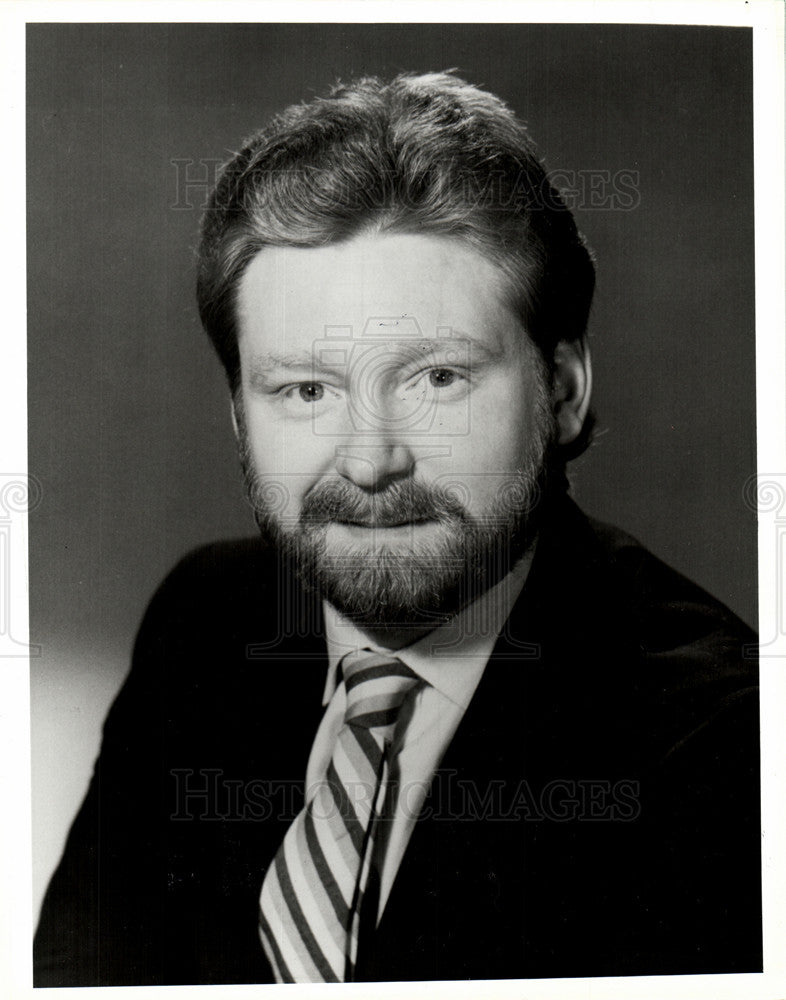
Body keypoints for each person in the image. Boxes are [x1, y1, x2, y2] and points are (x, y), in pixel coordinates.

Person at [34, 71, 761, 986]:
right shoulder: (202, 619)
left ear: (564, 391)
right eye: (305, 390)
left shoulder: (725, 747)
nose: (371, 460)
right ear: (236, 416)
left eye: (438, 380)